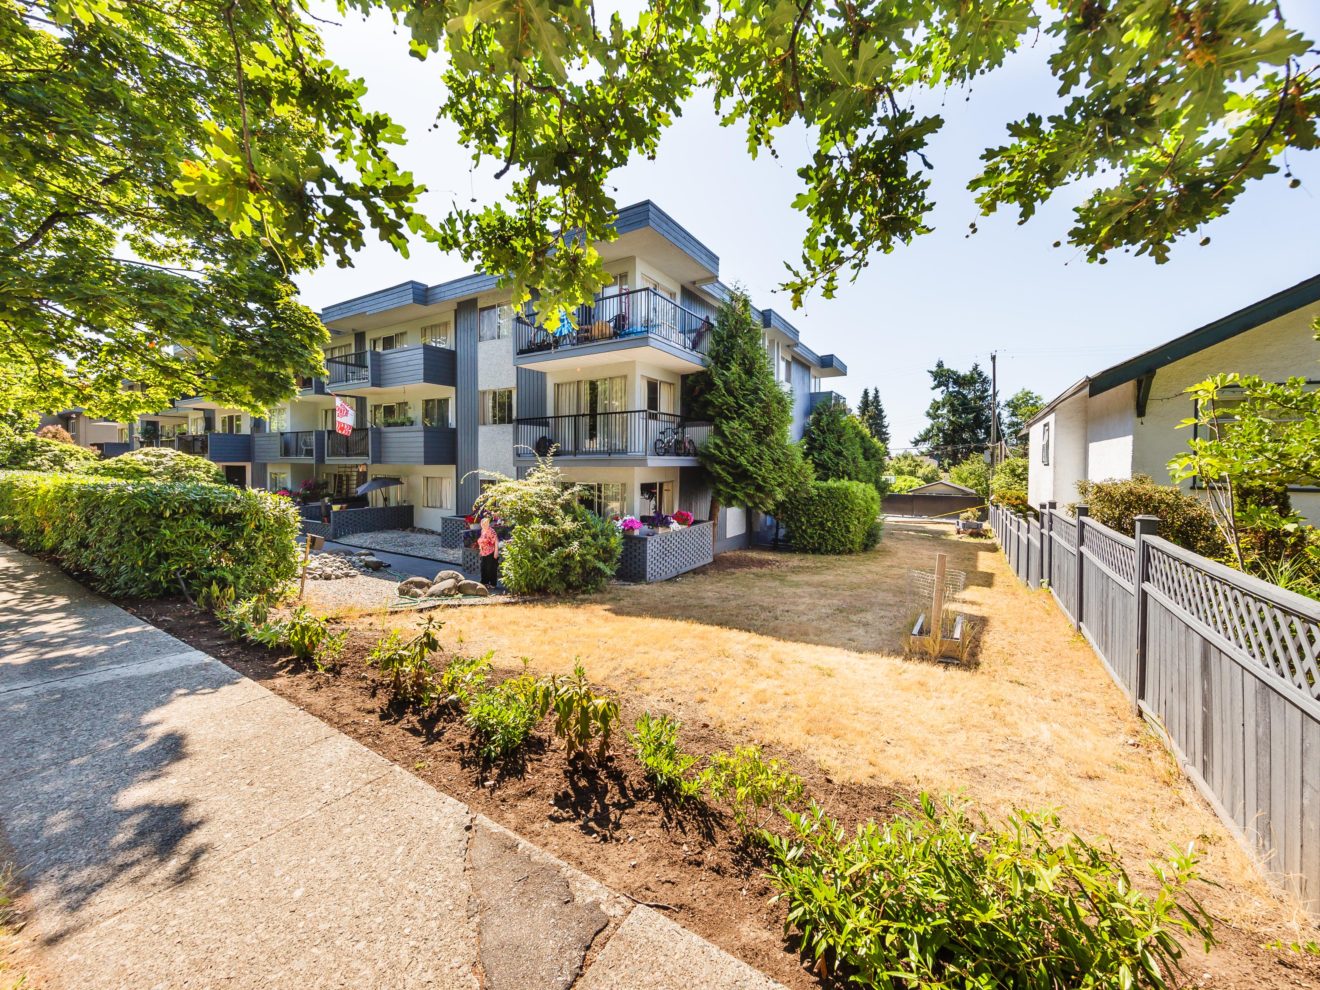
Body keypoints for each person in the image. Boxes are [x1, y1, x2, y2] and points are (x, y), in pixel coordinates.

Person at [477, 516, 499, 589]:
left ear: (488, 524)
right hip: (483, 552)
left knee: (491, 568)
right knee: (483, 568)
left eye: (486, 523)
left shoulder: (491, 531)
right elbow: (482, 540)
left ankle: (492, 584)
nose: (484, 525)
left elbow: (496, 541)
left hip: (491, 552)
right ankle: (484, 582)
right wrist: (480, 548)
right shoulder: (483, 530)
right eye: (483, 523)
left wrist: (496, 552)